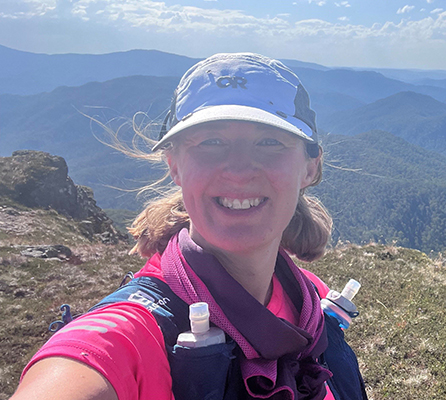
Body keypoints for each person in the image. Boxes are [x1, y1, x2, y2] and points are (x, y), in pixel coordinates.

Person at [12, 53, 367, 400]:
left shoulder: (308, 297)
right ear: (175, 165)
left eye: (269, 142)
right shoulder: (131, 334)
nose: (239, 170)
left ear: (310, 168)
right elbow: (84, 363)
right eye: (211, 142)